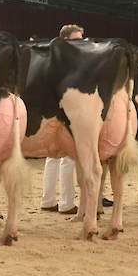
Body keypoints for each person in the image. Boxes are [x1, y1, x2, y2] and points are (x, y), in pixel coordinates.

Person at [41, 24, 85, 215]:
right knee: (67, 156)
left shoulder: (51, 57)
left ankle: (48, 200)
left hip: (52, 109)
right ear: (64, 40)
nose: (80, 44)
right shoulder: (69, 62)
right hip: (64, 110)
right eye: (76, 40)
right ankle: (66, 203)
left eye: (81, 40)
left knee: (52, 157)